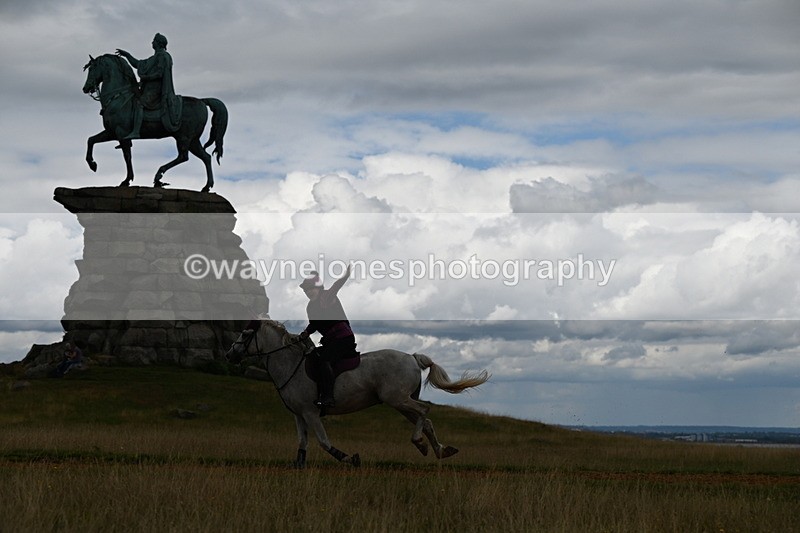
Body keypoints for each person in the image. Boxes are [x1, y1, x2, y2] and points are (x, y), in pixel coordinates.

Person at [299, 266, 358, 408]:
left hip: (343, 338)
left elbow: (336, 286)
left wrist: (345, 276)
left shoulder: (326, 296)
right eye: (306, 290)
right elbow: (313, 324)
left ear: (319, 288)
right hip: (331, 341)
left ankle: (328, 397)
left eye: (311, 289)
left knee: (324, 359)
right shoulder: (310, 307)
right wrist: (304, 334)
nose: (308, 292)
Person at [116, 33, 181, 138]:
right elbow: (138, 64)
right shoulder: (154, 58)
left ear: (159, 43)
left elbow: (160, 74)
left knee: (139, 103)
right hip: (148, 89)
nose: (152, 42)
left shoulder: (163, 56)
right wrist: (127, 55)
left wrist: (146, 77)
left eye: (154, 41)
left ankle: (136, 131)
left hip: (157, 90)